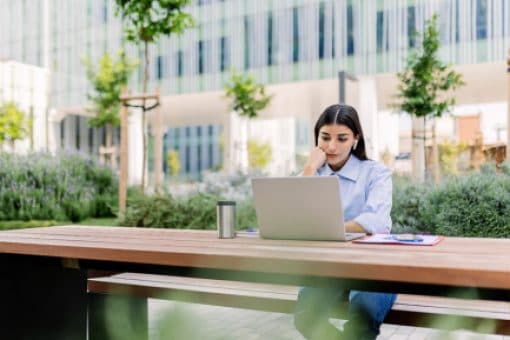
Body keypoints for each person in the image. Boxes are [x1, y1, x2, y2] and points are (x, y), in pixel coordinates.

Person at [294, 104, 396, 340]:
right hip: (328, 265)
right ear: (316, 138)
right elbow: (296, 216)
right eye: (325, 137)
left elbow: (376, 221)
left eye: (342, 138)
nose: (331, 146)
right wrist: (309, 167)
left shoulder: (376, 173)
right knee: (306, 315)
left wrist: (326, 228)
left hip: (373, 265)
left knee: (362, 318)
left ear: (355, 139)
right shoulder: (312, 173)